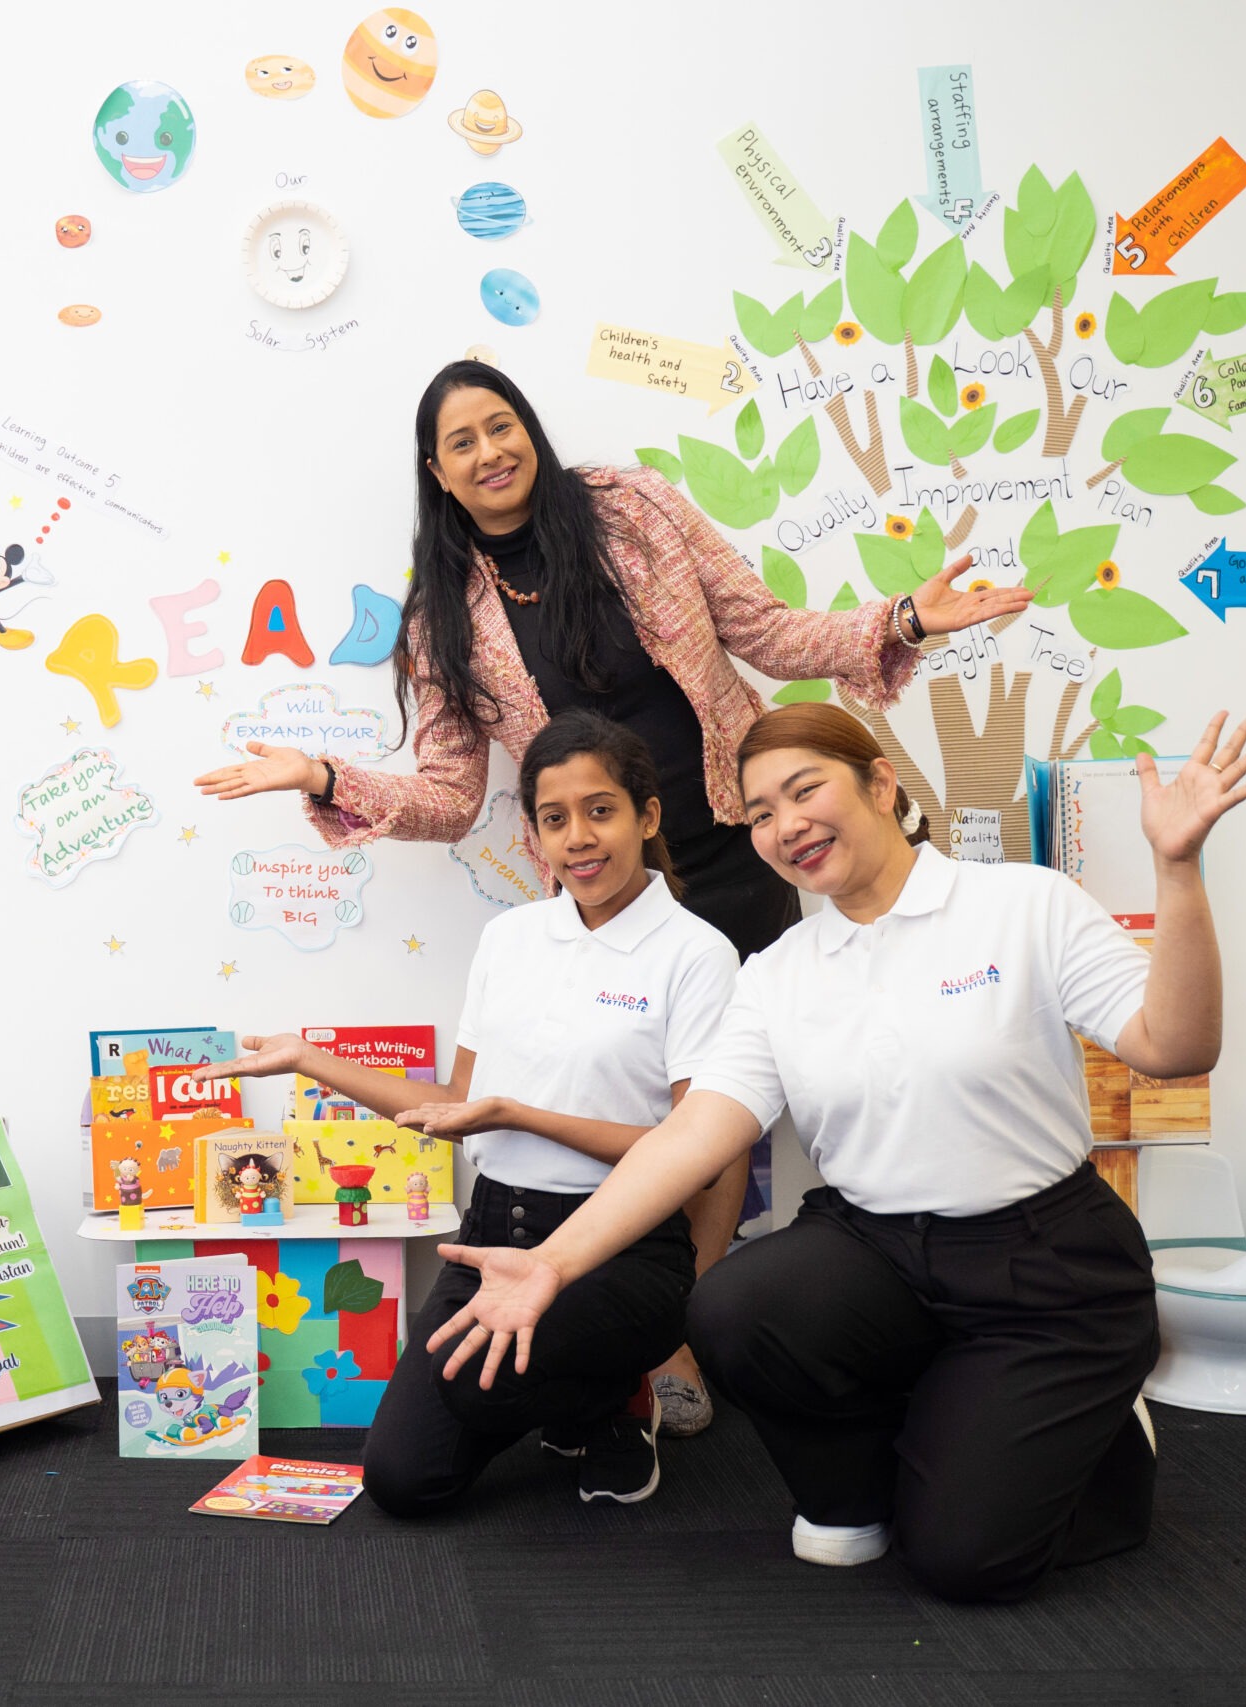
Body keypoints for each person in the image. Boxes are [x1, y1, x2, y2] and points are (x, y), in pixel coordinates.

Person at [194, 360, 1031, 1435]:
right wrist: (324, 778)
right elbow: (453, 796)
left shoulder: (633, 509)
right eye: (462, 443)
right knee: (631, 1100)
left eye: (503, 426)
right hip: (597, 876)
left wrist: (906, 618)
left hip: (729, 843)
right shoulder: (441, 616)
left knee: (721, 1108)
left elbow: (766, 633)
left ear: (529, 431)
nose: (490, 452)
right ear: (437, 474)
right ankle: (623, 1305)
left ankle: (685, 1310)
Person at [427, 703, 1246, 1601]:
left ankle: (1100, 1435)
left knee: (963, 1561)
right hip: (877, 1252)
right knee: (731, 1304)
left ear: (878, 783)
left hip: (1042, 1262)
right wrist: (553, 1263)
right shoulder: (780, 971)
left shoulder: (1020, 904)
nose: (786, 825)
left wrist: (1177, 868)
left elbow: (1176, 1047)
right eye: (758, 813)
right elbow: (692, 1139)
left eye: (804, 789)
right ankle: (863, 1486)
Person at [219, 712, 738, 1512]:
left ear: (648, 816)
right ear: (533, 832)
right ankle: (573, 1400)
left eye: (601, 810)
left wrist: (523, 1115)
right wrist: (308, 1058)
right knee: (404, 1479)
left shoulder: (696, 953)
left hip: (624, 1242)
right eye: (554, 818)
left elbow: (696, 1148)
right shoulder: (510, 938)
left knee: (488, 1384)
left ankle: (612, 1405)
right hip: (495, 1228)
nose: (579, 838)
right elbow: (457, 1109)